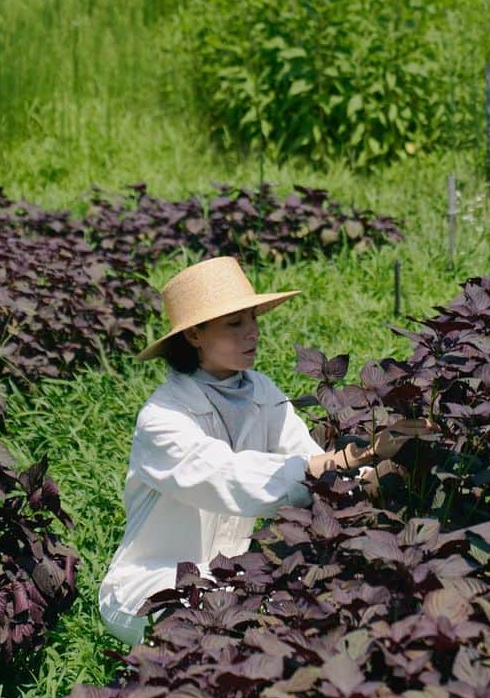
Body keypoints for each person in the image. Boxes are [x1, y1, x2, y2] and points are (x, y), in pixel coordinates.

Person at [98, 255, 387, 646]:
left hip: (233, 574)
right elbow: (229, 478)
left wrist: (372, 473)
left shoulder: (261, 390)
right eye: (234, 324)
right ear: (195, 335)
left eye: (253, 319)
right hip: (154, 583)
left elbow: (305, 458)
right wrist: (353, 457)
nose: (252, 333)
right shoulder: (162, 418)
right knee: (213, 632)